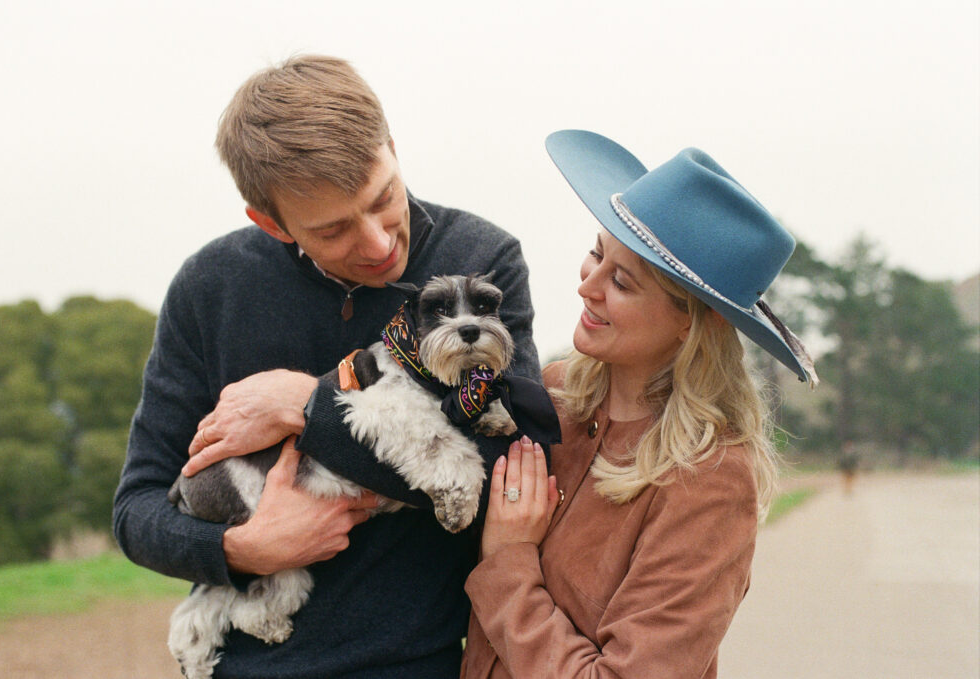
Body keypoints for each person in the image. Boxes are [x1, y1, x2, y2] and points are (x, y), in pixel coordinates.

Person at [112, 55, 542, 679]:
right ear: (270, 223)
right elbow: (137, 508)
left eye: (383, 197)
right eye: (334, 228)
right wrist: (241, 549)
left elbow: (509, 472)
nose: (377, 243)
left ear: (392, 149)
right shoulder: (210, 286)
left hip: (419, 665)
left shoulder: (481, 261)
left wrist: (306, 405)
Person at [461, 130, 819, 679]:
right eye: (596, 254)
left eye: (622, 282)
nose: (588, 287)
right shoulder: (550, 396)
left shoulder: (710, 478)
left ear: (690, 324)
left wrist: (508, 561)